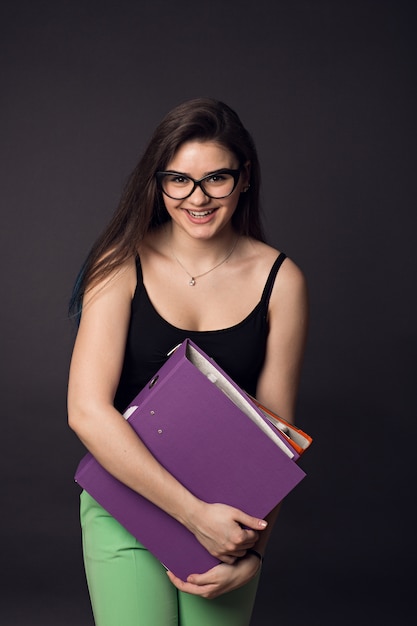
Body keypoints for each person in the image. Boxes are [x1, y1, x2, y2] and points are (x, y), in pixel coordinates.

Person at [67, 97, 308, 626]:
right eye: (178, 180)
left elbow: (277, 442)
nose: (196, 198)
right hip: (125, 506)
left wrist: (254, 551)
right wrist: (194, 515)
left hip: (230, 526)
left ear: (244, 178)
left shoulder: (280, 281)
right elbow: (86, 410)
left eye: (216, 178)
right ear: (158, 183)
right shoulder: (120, 263)